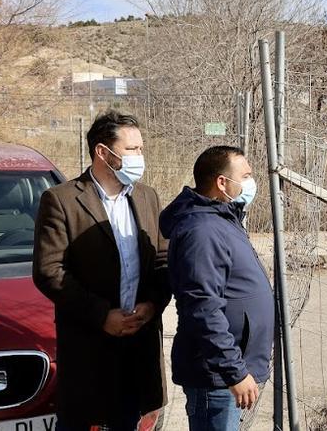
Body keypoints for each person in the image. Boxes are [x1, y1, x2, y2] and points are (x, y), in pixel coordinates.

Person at [33, 110, 171, 430]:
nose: (140, 156)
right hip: (90, 350)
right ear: (103, 153)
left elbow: (162, 259)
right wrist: (102, 315)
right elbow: (49, 270)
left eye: (141, 148)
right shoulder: (61, 200)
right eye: (132, 149)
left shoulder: (148, 197)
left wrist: (152, 305)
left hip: (140, 349)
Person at [161, 146, 274, 431]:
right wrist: (234, 372)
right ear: (222, 183)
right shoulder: (203, 231)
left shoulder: (223, 219)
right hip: (215, 377)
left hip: (226, 372)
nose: (251, 183)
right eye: (245, 176)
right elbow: (203, 309)